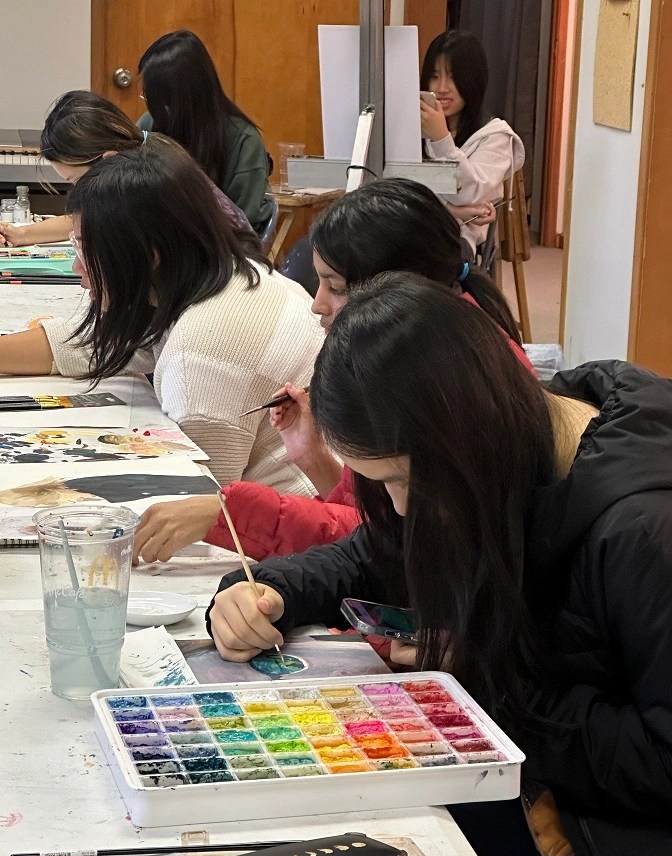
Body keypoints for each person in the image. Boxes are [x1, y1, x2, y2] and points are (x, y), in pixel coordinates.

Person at [207, 274, 672, 856]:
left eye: (400, 480)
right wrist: (269, 589)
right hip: (536, 781)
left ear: (458, 444)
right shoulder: (500, 444)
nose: (400, 507)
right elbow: (380, 552)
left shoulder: (667, 537)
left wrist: (489, 681)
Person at [133, 177, 531, 564]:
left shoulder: (453, 380)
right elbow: (378, 520)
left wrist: (230, 514)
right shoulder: (435, 346)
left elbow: (394, 545)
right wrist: (315, 458)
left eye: (336, 287)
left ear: (397, 293)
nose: (317, 304)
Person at [0, 142, 323, 490]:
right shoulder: (221, 274)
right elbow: (91, 344)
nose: (77, 267)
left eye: (86, 249)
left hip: (285, 514)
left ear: (148, 254)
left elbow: (202, 498)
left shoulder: (200, 356)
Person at [0, 90, 251, 248]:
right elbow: (82, 220)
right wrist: (21, 234)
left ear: (109, 159)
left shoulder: (146, 183)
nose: (78, 190)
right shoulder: (144, 149)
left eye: (77, 180)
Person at [137, 30, 272, 235]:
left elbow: (244, 226)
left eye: (157, 99)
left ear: (182, 99)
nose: (151, 106)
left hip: (215, 245)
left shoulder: (243, 141)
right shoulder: (149, 124)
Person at [419, 29, 525, 253]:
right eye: (435, 76)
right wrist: (451, 210)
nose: (442, 88)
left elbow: (469, 194)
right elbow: (395, 186)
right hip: (408, 227)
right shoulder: (414, 128)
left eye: (453, 77)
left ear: (473, 80)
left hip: (454, 241)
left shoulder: (495, 136)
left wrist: (441, 139)